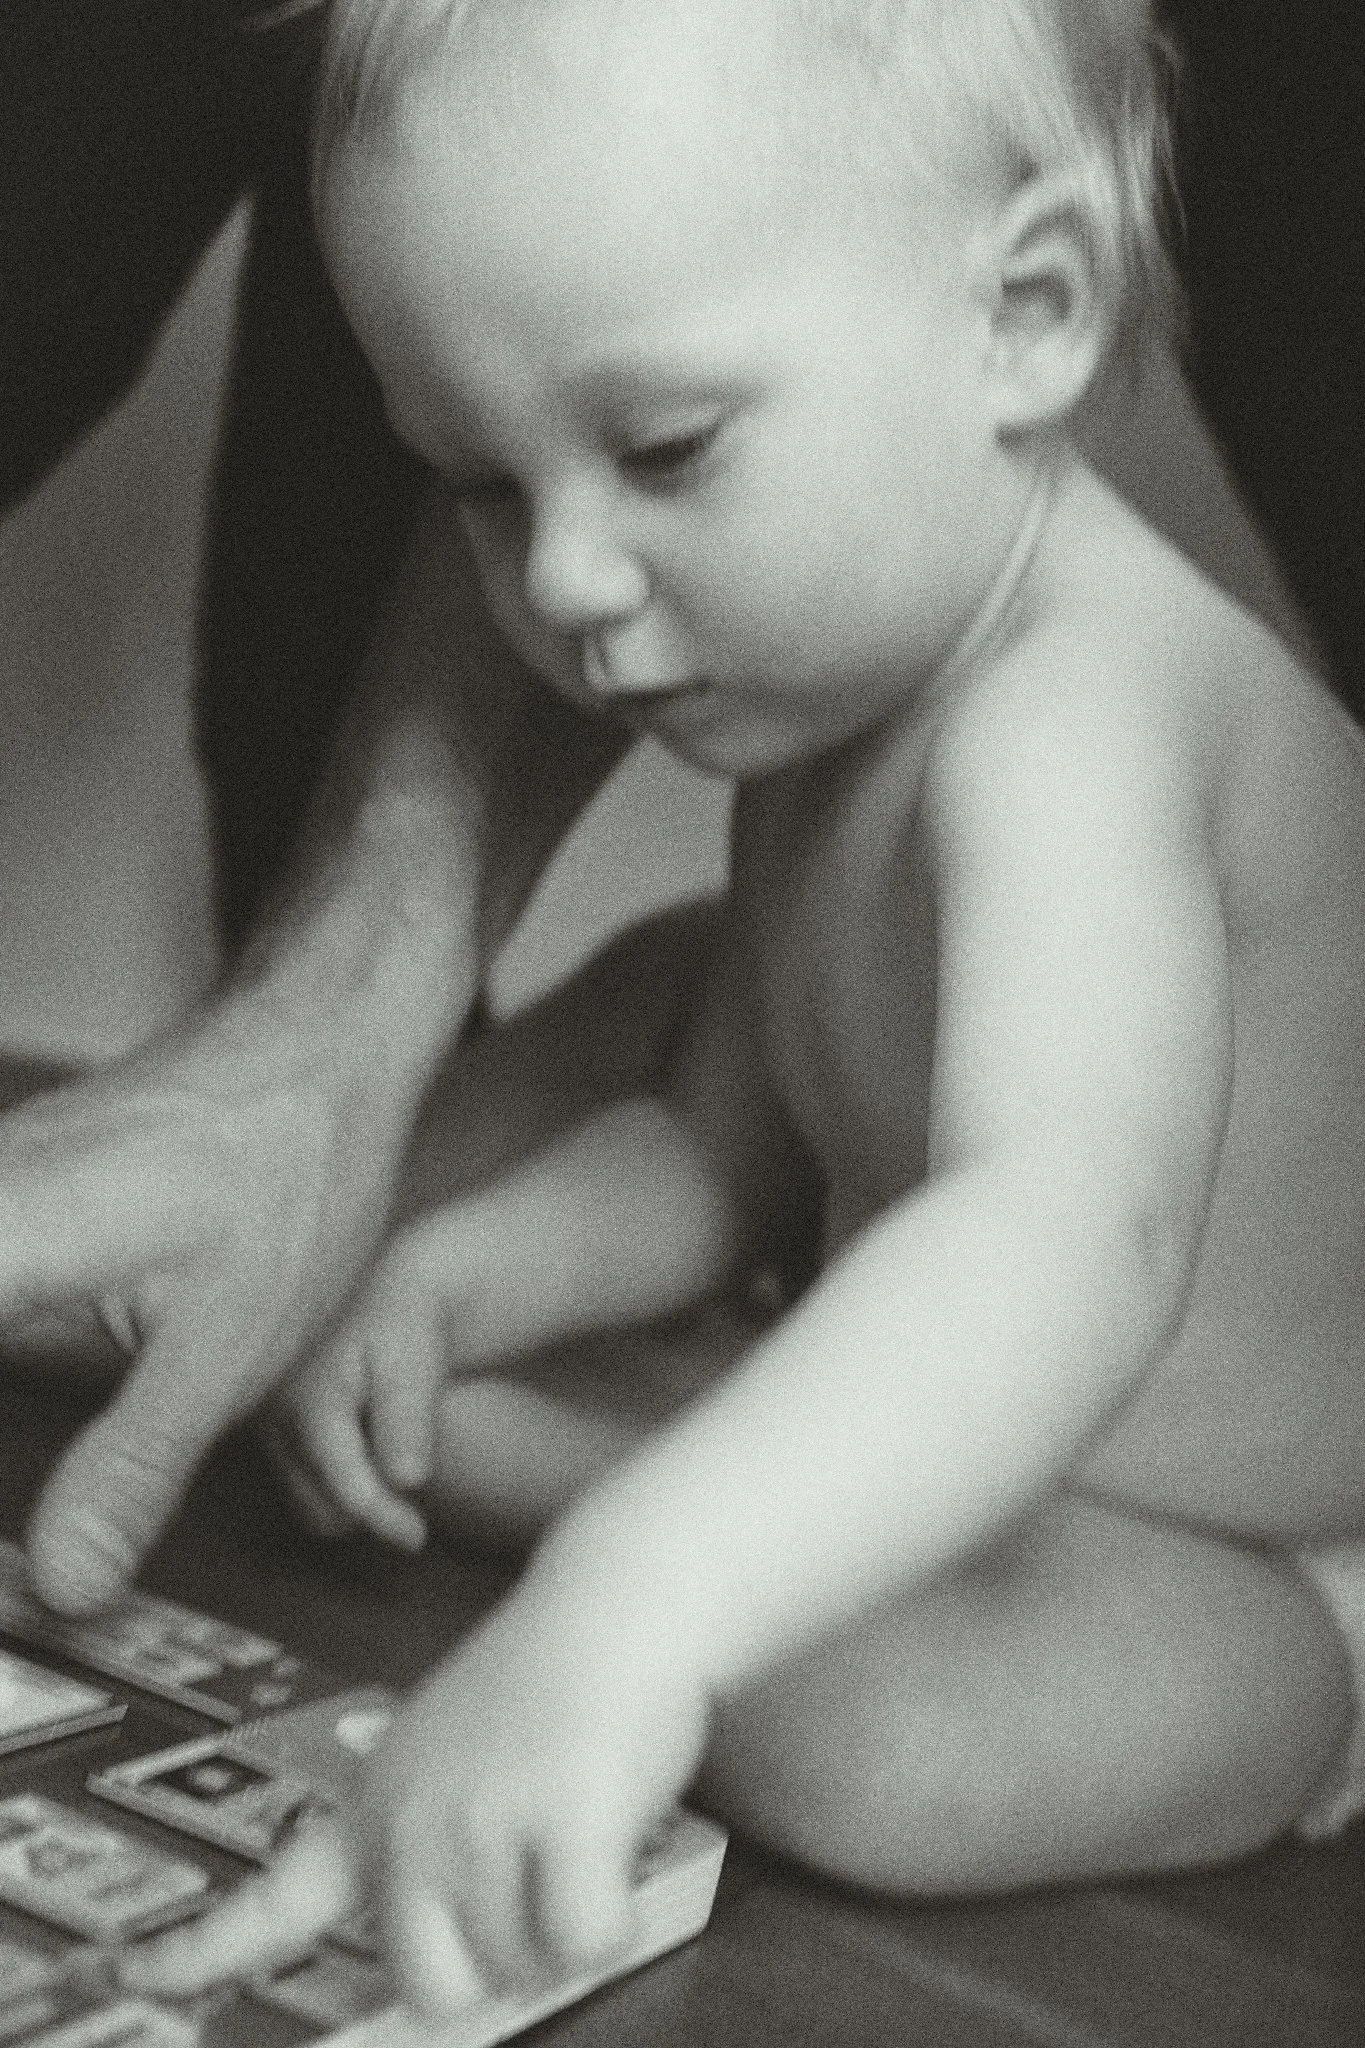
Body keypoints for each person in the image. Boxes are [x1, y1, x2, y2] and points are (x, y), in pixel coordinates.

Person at [125, 0, 1365, 2022]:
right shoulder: (823, 689)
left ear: (1028, 313)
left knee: (878, 1739)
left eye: (662, 449)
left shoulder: (1076, 716)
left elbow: (1064, 1242)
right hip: (1011, 1463)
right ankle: (629, 1507)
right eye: (479, 486)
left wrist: (628, 1607)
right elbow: (725, 1141)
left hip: (1257, 1558)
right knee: (410, 1368)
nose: (570, 585)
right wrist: (472, 1277)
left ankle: (681, 1558)